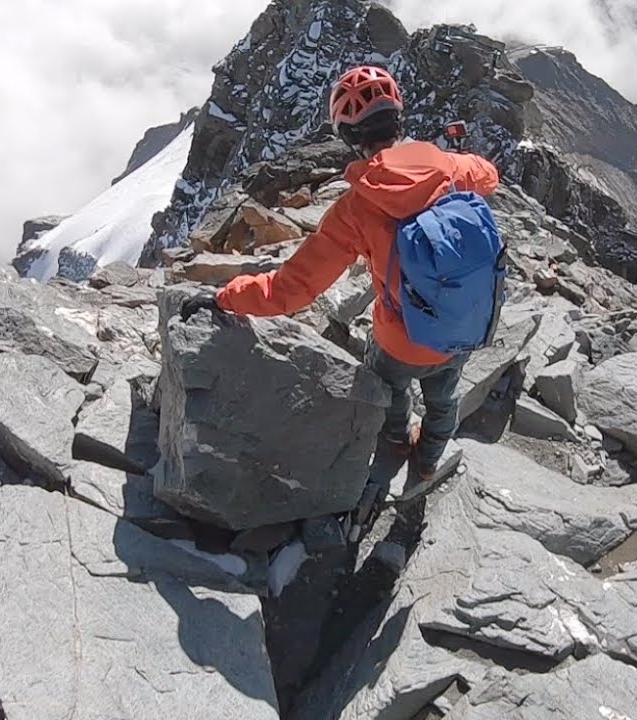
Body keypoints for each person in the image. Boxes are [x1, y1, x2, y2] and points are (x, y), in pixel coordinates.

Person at [179, 64, 501, 480]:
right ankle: (427, 463)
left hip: (400, 340)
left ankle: (396, 439)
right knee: (444, 397)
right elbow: (489, 176)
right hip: (462, 326)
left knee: (388, 385)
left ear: (349, 137)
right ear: (399, 116)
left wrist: (226, 297)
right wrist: (454, 158)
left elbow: (291, 289)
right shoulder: (451, 167)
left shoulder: (355, 210)